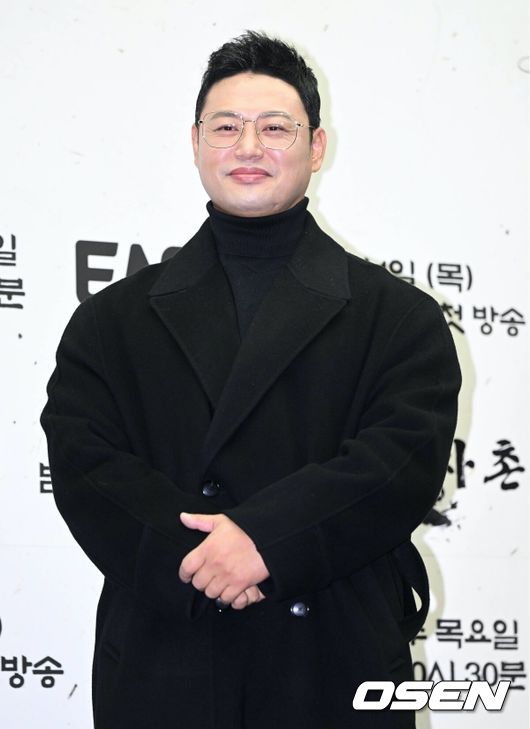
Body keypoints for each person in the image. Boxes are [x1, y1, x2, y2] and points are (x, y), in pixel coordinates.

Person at [41, 30, 461, 729]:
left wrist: (267, 542)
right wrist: (203, 561)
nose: (248, 146)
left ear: (316, 146)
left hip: (331, 657)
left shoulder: (398, 318)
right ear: (196, 142)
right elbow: (87, 467)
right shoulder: (111, 321)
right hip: (166, 655)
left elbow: (398, 465)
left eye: (274, 127)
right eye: (226, 126)